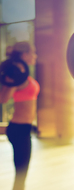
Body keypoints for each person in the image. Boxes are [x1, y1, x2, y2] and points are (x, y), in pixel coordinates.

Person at [0, 42, 39, 190]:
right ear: (24, 55)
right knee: (21, 174)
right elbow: (3, 98)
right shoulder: (16, 72)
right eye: (33, 53)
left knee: (22, 173)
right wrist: (11, 80)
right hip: (19, 130)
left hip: (24, 128)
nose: (35, 56)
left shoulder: (23, 73)